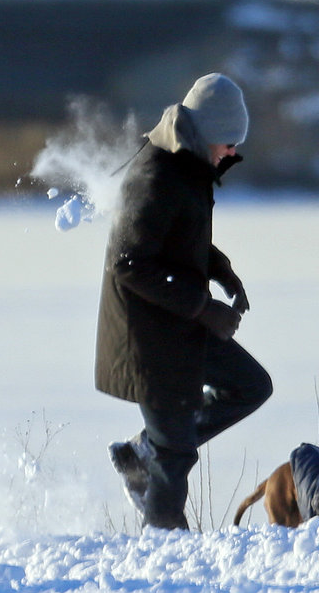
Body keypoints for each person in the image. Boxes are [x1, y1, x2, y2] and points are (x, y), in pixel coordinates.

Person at [95, 73, 273, 531]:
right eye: (230, 142)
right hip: (147, 333)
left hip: (177, 321)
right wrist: (204, 309)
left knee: (251, 384)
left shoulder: (189, 166)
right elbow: (127, 263)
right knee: (175, 454)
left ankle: (144, 452)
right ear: (209, 132)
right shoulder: (157, 174)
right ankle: (166, 552)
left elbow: (180, 236)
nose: (233, 152)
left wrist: (222, 270)